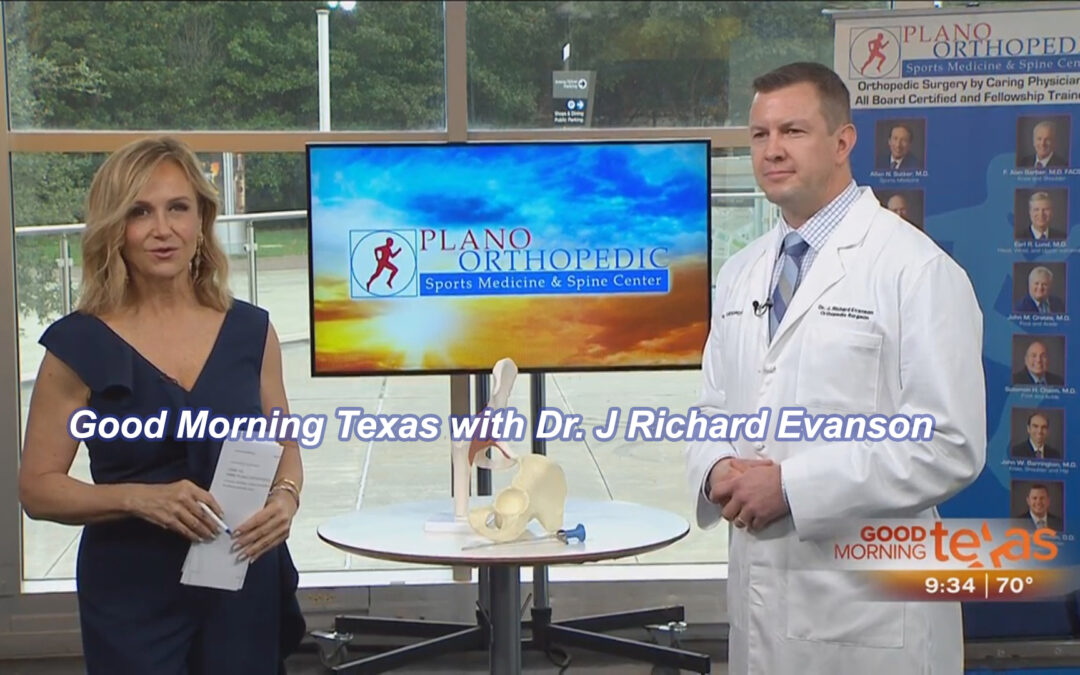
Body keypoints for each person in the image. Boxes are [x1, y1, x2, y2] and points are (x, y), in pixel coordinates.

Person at [685, 62, 985, 674]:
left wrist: (792, 488)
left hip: (871, 618)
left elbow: (949, 443)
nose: (772, 150)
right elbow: (712, 405)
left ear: (843, 141)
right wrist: (715, 469)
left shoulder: (915, 270)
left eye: (793, 131)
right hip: (761, 605)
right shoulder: (741, 273)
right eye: (760, 134)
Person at [17, 137, 306, 674]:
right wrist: (139, 499)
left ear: (201, 220)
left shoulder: (252, 331)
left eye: (178, 208)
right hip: (132, 595)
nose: (162, 229)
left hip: (241, 578)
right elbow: (36, 488)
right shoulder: (78, 345)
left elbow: (285, 445)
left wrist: (286, 499)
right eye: (140, 212)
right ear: (114, 229)